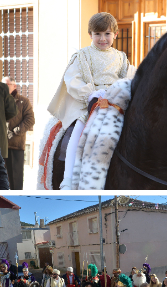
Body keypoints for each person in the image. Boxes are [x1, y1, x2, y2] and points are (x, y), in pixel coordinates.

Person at [46, 12, 135, 189]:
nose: (103, 39)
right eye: (98, 34)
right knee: (78, 130)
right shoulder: (82, 56)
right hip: (89, 102)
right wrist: (91, 94)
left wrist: (121, 91)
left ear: (115, 34)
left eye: (107, 34)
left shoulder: (121, 58)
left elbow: (130, 77)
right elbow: (73, 79)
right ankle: (68, 179)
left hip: (114, 102)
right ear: (90, 35)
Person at [2, 76, 35, 189]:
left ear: (14, 86)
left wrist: (16, 131)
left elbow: (30, 119)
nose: (3, 88)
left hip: (15, 147)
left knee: (15, 182)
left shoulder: (23, 101)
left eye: (5, 85)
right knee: (0, 181)